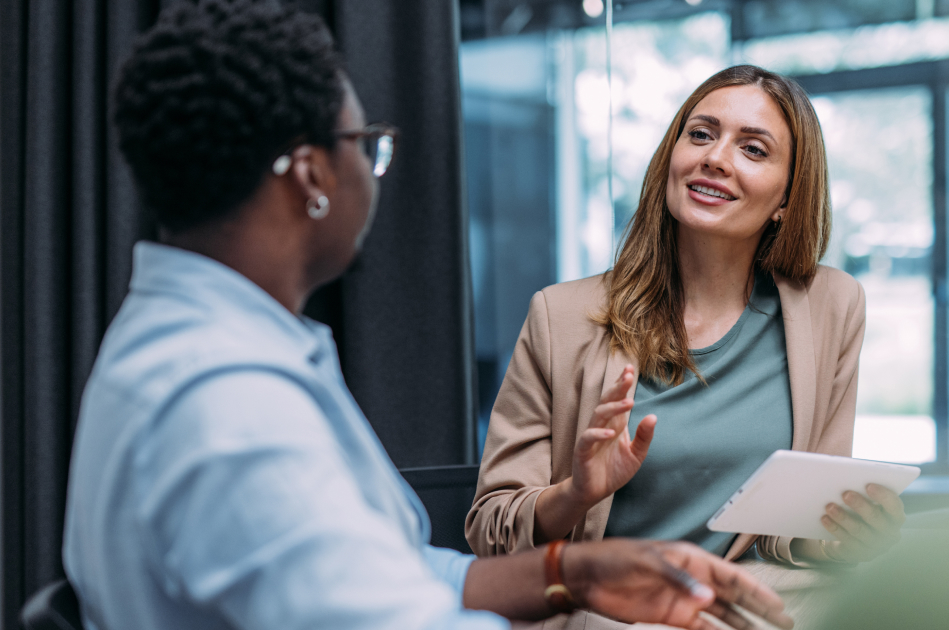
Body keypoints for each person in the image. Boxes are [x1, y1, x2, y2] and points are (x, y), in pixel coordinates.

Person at [60, 3, 794, 630]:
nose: (373, 176)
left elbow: (396, 576)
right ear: (313, 176)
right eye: (366, 147)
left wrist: (577, 573)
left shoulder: (195, 348)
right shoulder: (229, 407)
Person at [467, 66, 905, 572]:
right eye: (701, 135)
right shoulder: (560, 316)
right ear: (671, 157)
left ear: (787, 198)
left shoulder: (830, 305)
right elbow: (490, 531)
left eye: (753, 149)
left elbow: (795, 526)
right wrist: (576, 493)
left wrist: (843, 532)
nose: (715, 158)